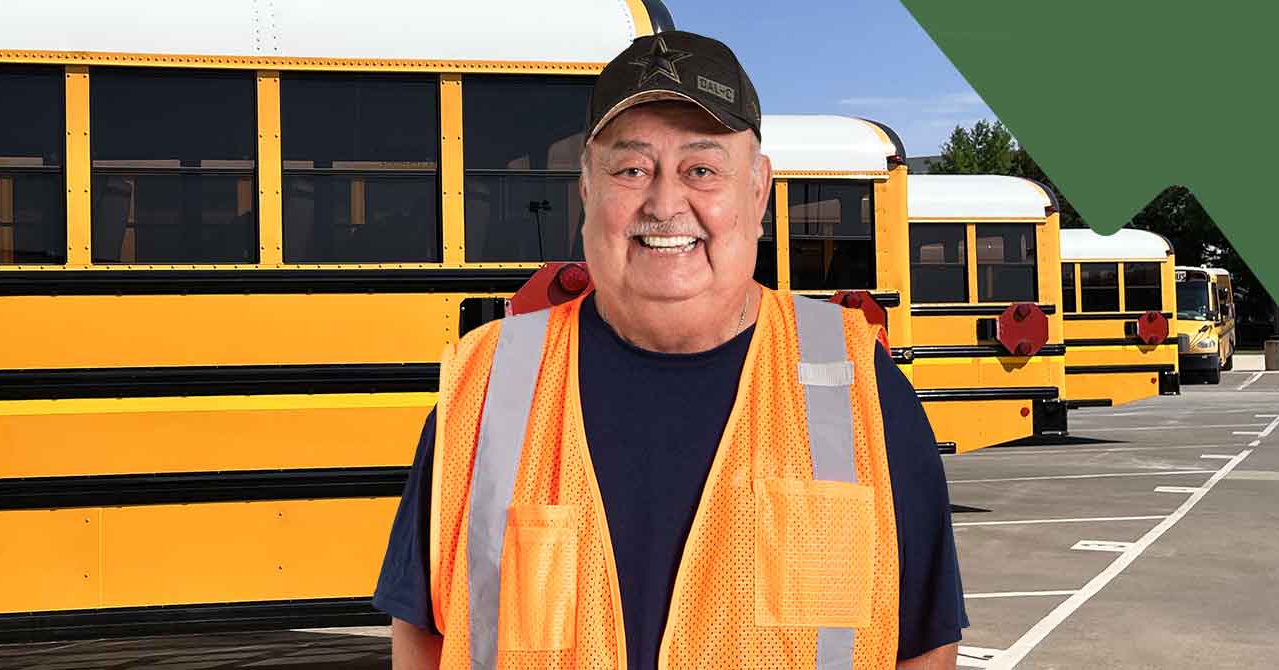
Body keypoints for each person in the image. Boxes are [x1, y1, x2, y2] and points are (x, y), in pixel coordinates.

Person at [371, 31, 967, 669]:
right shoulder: (487, 386)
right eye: (631, 169)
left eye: (701, 170)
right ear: (586, 191)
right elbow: (427, 634)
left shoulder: (858, 385)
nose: (663, 203)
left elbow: (923, 645)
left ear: (758, 191)